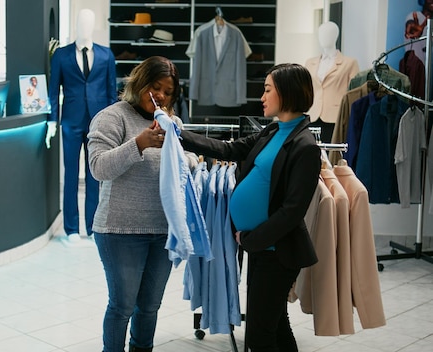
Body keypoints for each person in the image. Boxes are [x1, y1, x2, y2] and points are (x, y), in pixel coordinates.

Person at [179, 63, 320, 351]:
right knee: (276, 324)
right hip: (260, 249)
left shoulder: (305, 146)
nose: (262, 96)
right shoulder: (273, 130)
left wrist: (252, 239)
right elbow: (229, 150)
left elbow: (292, 211)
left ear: (287, 93)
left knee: (259, 334)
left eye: (268, 89)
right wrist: (180, 135)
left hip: (277, 253)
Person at [88, 55, 197, 352]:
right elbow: (98, 168)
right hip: (119, 230)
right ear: (140, 82)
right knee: (122, 305)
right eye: (155, 86)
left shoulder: (172, 122)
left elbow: (181, 163)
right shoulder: (112, 117)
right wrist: (139, 143)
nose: (160, 95)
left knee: (149, 306)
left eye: (167, 91)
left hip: (162, 230)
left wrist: (189, 159)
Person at [47, 8, 117, 243]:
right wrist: (51, 121)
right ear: (76, 25)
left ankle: (92, 225)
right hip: (70, 121)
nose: (84, 26)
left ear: (93, 25)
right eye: (80, 22)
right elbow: (53, 91)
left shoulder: (106, 55)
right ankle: (71, 229)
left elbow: (111, 94)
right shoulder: (61, 55)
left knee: (95, 174)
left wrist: (114, 125)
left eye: (88, 22)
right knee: (70, 174)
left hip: (98, 123)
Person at [305, 21, 359, 143]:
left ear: (336, 35)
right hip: (312, 115)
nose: (324, 37)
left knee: (331, 154)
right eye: (321, 34)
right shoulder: (310, 62)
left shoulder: (349, 63)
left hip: (335, 117)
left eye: (328, 33)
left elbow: (353, 93)